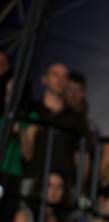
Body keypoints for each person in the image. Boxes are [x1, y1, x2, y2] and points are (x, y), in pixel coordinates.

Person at [22, 63, 88, 198]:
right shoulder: (31, 110)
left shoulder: (76, 118)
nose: (60, 80)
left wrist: (79, 187)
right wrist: (27, 133)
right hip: (33, 180)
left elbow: (82, 157)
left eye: (64, 77)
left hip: (64, 187)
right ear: (44, 79)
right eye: (55, 75)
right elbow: (26, 154)